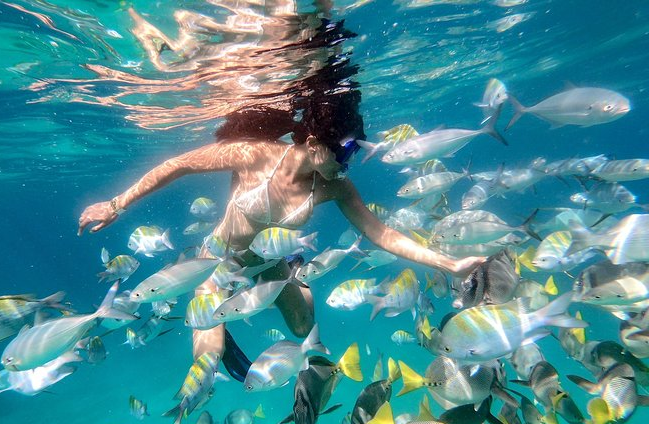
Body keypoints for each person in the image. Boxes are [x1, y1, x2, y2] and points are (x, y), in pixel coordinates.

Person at [77, 21, 485, 381]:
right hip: (220, 262)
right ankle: (225, 332)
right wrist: (116, 204)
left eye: (352, 153)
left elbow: (381, 233)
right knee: (209, 355)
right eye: (343, 152)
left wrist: (449, 263)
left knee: (302, 326)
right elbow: (178, 165)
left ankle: (293, 271)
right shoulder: (254, 155)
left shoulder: (335, 186)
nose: (348, 163)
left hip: (271, 263)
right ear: (312, 142)